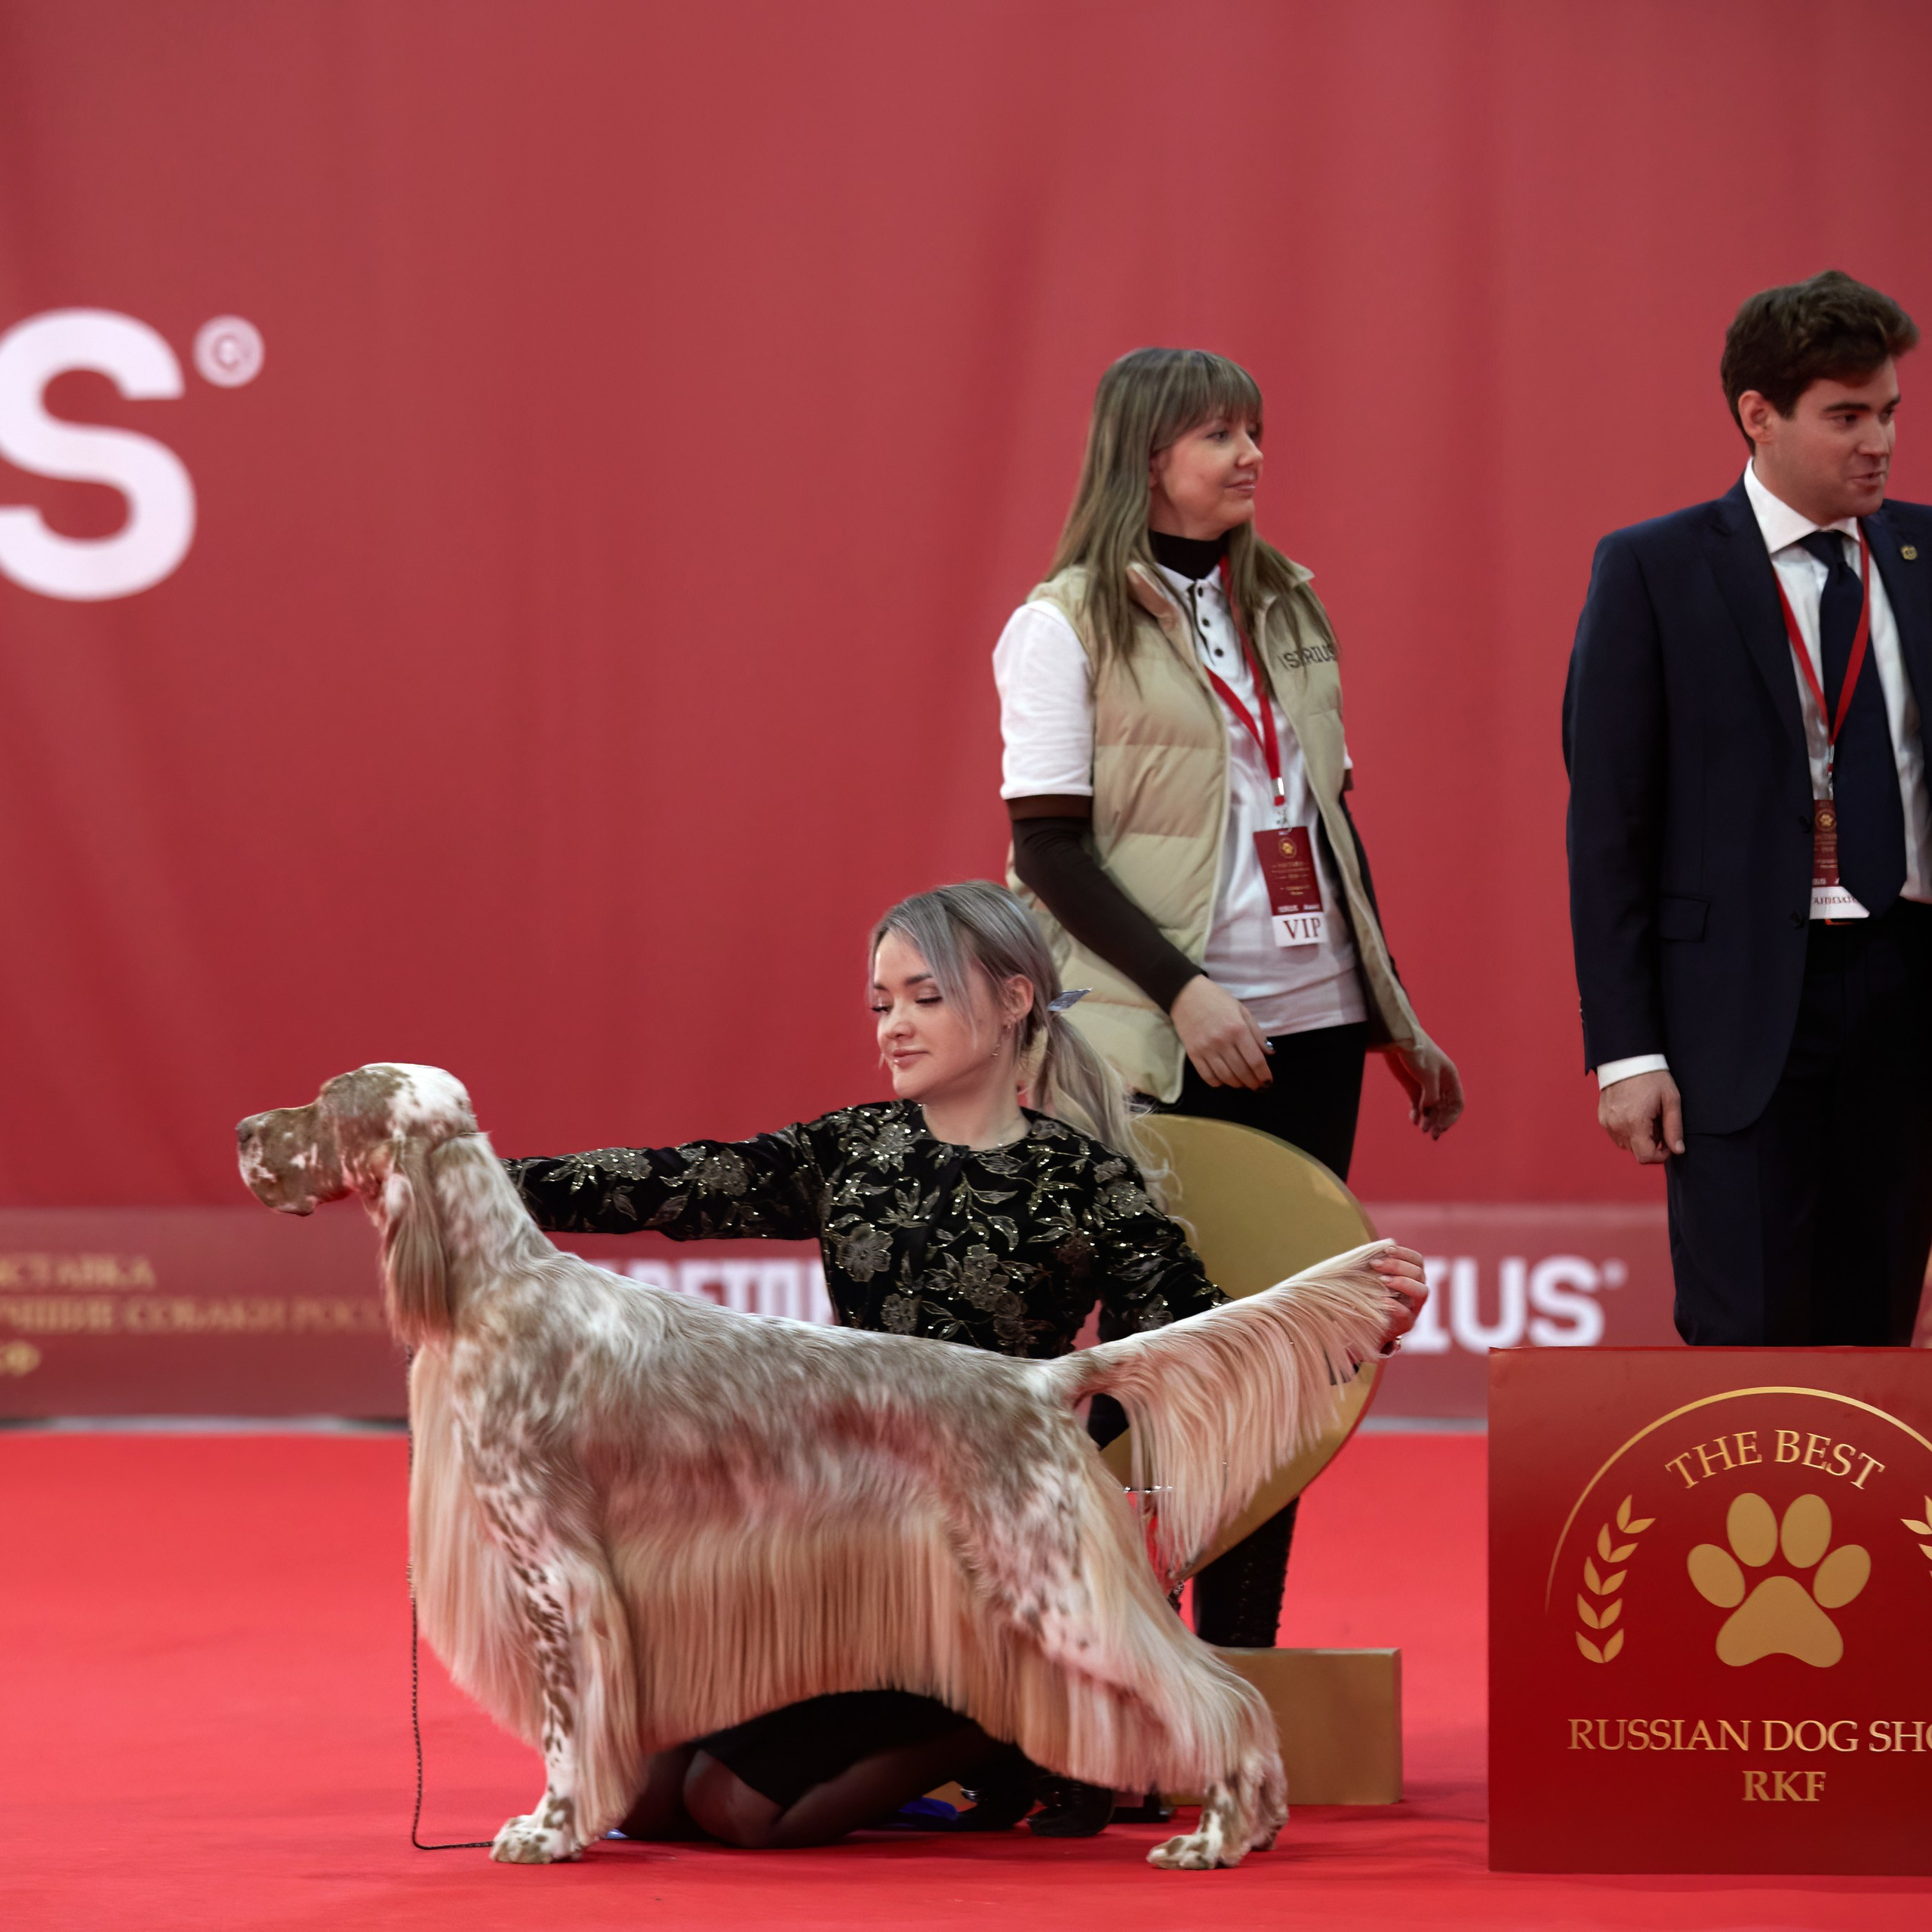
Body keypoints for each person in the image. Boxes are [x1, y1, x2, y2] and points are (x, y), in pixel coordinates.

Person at [504, 881, 1427, 1849]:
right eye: (881, 1004)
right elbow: (669, 1182)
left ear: (1014, 999)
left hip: (987, 1564)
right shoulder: (847, 1148)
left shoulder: (1084, 1178)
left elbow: (1196, 1335)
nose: (894, 1027)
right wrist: (473, 1183)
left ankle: (1012, 1718)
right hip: (836, 1550)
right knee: (642, 1799)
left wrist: (1346, 1327)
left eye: (925, 997)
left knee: (731, 1807)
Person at [993, 346, 1462, 1646]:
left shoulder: (1288, 606)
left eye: (1253, 431)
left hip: (1313, 1023)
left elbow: (1328, 825)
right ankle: (1097, 1647)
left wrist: (1391, 1015)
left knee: (1286, 1355)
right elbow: (1047, 851)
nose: (1251, 455)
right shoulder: (1064, 622)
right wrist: (1187, 993)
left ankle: (1240, 1662)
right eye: (1218, 435)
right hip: (1159, 1041)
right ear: (1147, 457)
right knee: (1158, 1346)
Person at [1564, 269, 1931, 1346]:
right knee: (1746, 1338)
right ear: (1758, 415)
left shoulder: (1924, 556)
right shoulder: (1654, 568)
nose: (1879, 443)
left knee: (1875, 1340)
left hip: (1910, 989)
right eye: (1846, 417)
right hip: (1737, 1009)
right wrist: (1627, 1051)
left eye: (1889, 414)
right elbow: (1609, 830)